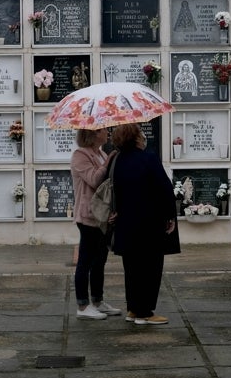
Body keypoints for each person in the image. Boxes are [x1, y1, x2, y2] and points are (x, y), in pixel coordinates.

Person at [110, 122, 180, 325]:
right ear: (136, 138)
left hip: (126, 223)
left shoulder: (118, 160)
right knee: (150, 268)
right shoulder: (148, 158)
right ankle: (145, 313)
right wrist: (170, 216)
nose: (143, 137)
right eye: (140, 134)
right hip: (149, 224)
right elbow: (165, 188)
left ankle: (133, 309)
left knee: (131, 268)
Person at [70, 128, 121, 320]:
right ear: (91, 134)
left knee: (100, 261)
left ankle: (98, 301)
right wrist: (109, 161)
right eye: (103, 130)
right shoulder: (80, 156)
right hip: (88, 216)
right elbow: (94, 179)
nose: (107, 132)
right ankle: (83, 306)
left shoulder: (100, 153)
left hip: (103, 216)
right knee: (85, 261)